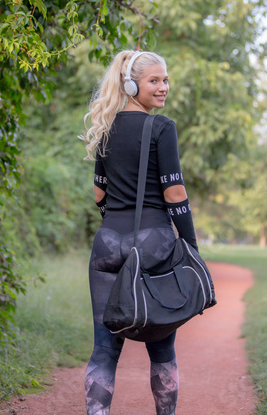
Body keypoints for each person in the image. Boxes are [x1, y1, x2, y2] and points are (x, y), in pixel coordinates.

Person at [82, 50, 199, 415]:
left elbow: (100, 193)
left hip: (107, 245)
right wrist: (190, 245)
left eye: (165, 80)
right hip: (154, 246)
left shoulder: (106, 125)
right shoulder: (162, 128)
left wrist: (115, 220)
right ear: (132, 84)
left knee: (104, 347)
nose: (163, 87)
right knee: (161, 349)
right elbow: (174, 193)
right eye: (155, 80)